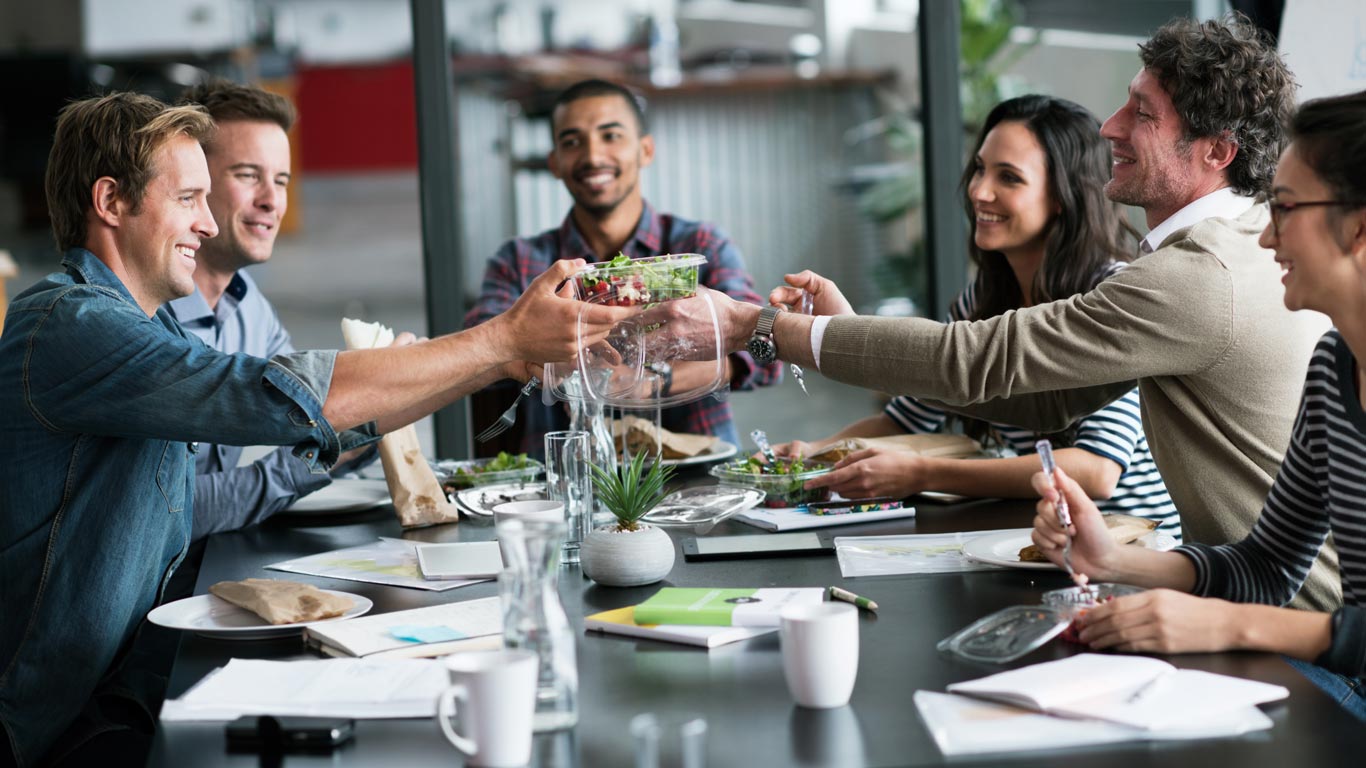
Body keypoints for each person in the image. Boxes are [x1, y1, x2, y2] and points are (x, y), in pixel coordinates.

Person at [0, 92, 632, 767]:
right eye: (188, 198)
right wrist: (499, 336)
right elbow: (273, 401)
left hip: (121, 695)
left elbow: (313, 420)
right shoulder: (69, 326)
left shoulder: (144, 324)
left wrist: (498, 361)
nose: (209, 225)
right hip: (51, 729)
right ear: (112, 202)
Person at [660, 15, 1338, 609]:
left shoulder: (1194, 276)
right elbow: (1043, 402)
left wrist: (761, 328)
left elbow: (983, 362)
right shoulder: (1229, 244)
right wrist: (847, 330)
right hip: (1240, 588)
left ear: (1216, 151)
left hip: (1291, 622)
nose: (1110, 127)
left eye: (1142, 114)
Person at [1027, 90, 1366, 720]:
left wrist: (1228, 625)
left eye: (1286, 209)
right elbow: (1267, 567)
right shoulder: (1332, 369)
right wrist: (1116, 561)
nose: (1266, 236)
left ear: (1359, 228)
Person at [775, 95, 1177, 535]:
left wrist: (923, 473)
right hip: (1033, 539)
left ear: (1063, 196)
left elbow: (1096, 471)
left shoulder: (1113, 296)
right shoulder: (985, 296)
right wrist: (809, 454)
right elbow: (909, 414)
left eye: (1009, 178)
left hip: (1127, 547)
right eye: (981, 169)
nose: (979, 191)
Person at [464, 78, 781, 455]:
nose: (593, 156)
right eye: (572, 142)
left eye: (611, 136)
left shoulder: (701, 246)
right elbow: (479, 361)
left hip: (696, 480)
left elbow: (763, 353)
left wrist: (644, 382)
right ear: (554, 163)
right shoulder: (518, 263)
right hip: (571, 482)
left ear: (645, 150)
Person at [164, 80, 368, 541]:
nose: (272, 201)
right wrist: (333, 444)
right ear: (192, 183)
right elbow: (171, 515)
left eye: (280, 180)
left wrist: (374, 410)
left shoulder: (248, 305)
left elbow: (312, 415)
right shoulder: (147, 318)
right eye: (247, 175)